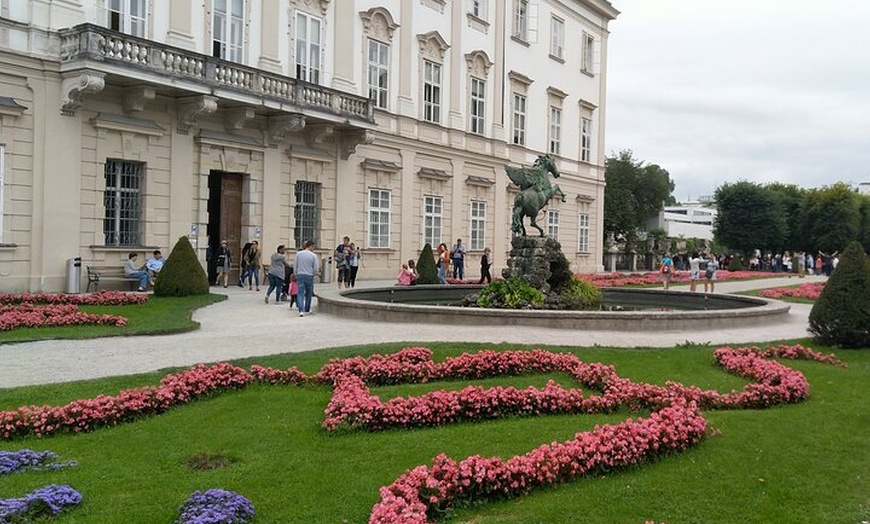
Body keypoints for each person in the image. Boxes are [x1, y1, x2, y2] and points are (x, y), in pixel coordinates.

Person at [294, 240, 319, 316]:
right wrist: (314, 274)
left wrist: (296, 274)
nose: (313, 248)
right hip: (309, 276)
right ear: (310, 246)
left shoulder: (298, 254)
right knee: (308, 293)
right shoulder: (313, 256)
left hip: (300, 275)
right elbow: (315, 268)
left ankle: (300, 310)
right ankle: (307, 309)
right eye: (313, 247)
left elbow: (295, 265)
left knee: (300, 293)